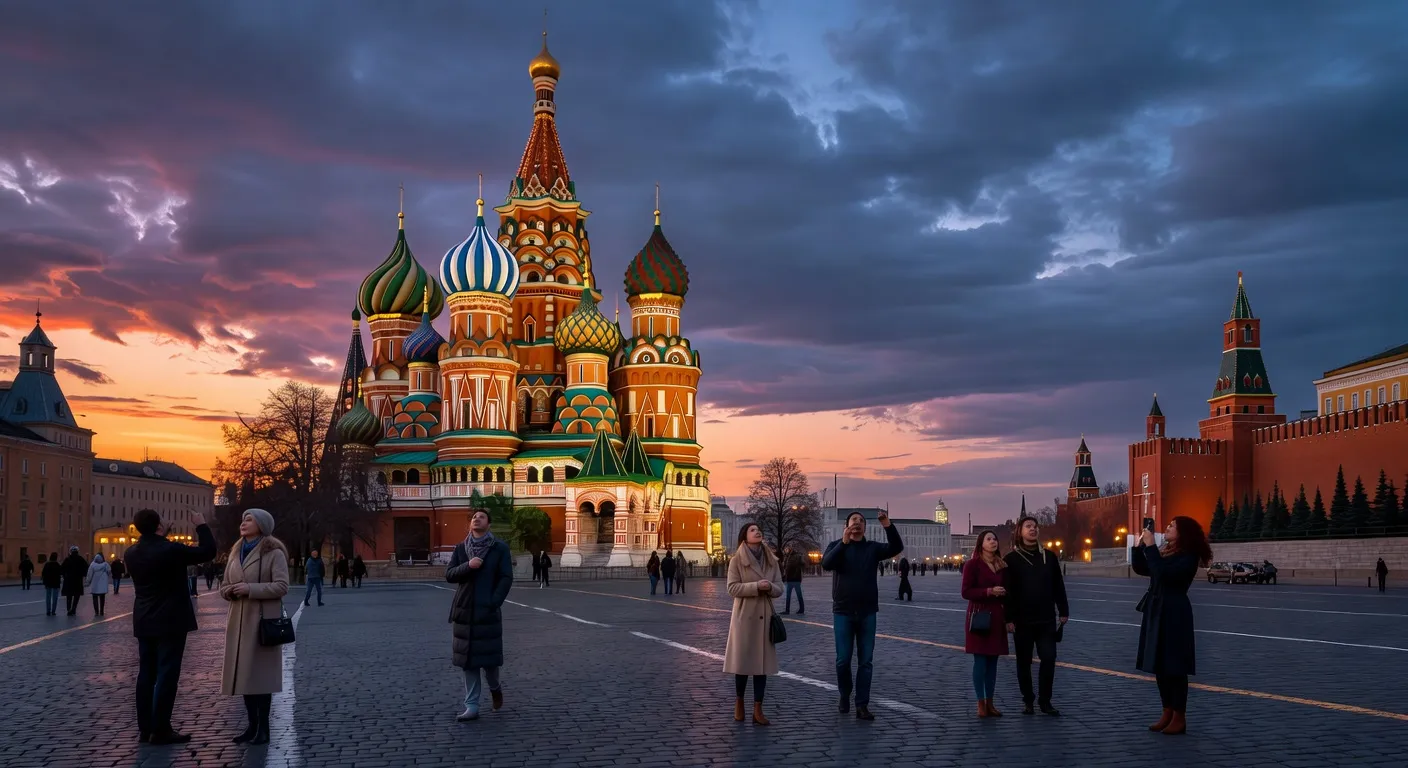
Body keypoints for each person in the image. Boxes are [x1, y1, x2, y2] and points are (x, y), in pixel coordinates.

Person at [125, 507, 216, 745]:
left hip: (144, 619)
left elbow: (155, 553)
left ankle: (145, 728)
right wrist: (201, 525)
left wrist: (161, 534)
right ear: (158, 526)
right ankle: (161, 728)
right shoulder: (171, 549)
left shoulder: (131, 552)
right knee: (167, 673)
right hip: (171, 620)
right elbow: (208, 551)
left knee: (146, 674)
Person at [1133, 516, 1212, 736]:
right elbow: (1142, 568)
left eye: (1171, 526)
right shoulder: (1166, 551)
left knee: (1174, 666)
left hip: (1175, 612)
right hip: (1157, 609)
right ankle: (1166, 711)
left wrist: (1151, 548)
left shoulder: (1188, 556)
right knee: (1159, 664)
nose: (1166, 528)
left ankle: (1179, 716)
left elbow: (1163, 574)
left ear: (1183, 532)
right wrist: (1140, 546)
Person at [821, 510, 903, 721]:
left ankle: (862, 705)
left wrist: (888, 525)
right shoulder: (836, 547)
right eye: (853, 520)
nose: (857, 523)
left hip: (867, 612)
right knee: (842, 660)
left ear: (865, 527)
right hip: (842, 611)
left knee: (866, 661)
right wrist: (844, 542)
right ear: (846, 526)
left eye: (861, 521)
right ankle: (844, 694)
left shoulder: (872, 548)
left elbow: (896, 547)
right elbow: (826, 564)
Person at [219, 508, 291, 745]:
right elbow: (225, 585)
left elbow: (281, 586)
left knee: (260, 679)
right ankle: (251, 727)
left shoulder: (273, 552)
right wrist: (229, 591)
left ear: (261, 524)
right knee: (243, 677)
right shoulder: (235, 551)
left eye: (249, 519)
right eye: (242, 519)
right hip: (238, 622)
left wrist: (250, 589)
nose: (243, 523)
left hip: (261, 622)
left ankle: (264, 728)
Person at [446, 508, 514, 721]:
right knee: (468, 662)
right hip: (464, 612)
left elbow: (506, 577)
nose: (476, 519)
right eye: (474, 517)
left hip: (487, 611)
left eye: (482, 516)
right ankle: (472, 705)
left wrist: (493, 602)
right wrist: (468, 565)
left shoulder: (499, 549)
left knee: (490, 662)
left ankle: (495, 688)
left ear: (489, 524)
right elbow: (449, 575)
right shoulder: (461, 549)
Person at [1003, 514, 1069, 716]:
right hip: (1022, 621)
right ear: (1020, 532)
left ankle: (1045, 701)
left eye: (1035, 526)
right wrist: (1008, 618)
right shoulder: (1011, 559)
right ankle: (1028, 700)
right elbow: (1008, 591)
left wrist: (1063, 610)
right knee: (1023, 662)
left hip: (1046, 618)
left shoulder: (1049, 557)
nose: (1033, 529)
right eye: (1028, 526)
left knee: (1049, 658)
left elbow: (1058, 584)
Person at [723, 523, 783, 726]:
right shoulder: (736, 561)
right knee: (743, 664)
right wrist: (756, 586)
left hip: (764, 617)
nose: (757, 531)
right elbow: (732, 588)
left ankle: (758, 708)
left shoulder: (771, 560)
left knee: (761, 665)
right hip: (744, 618)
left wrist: (771, 587)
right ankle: (739, 701)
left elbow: (780, 587)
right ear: (744, 537)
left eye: (759, 529)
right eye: (752, 530)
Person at [962, 532, 1009, 718]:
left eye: (995, 539)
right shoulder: (972, 565)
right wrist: (989, 591)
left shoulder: (1002, 565)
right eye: (989, 539)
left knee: (993, 664)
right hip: (980, 616)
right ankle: (980, 703)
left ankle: (990, 702)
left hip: (997, 616)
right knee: (980, 662)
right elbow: (965, 592)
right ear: (981, 544)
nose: (993, 542)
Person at [61, 546, 88, 616]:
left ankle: (68, 609)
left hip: (68, 581)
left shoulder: (67, 559)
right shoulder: (80, 559)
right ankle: (74, 609)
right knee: (76, 596)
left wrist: (64, 576)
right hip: (77, 580)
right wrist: (83, 574)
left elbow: (62, 569)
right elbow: (86, 567)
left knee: (69, 596)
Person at [781, 546, 805, 615]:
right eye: (785, 549)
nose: (785, 550)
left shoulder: (796, 556)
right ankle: (788, 610)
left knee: (798, 595)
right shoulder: (787, 557)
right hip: (790, 579)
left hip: (795, 578)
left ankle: (800, 609)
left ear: (789, 549)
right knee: (789, 595)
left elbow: (801, 564)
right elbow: (786, 568)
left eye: (786, 549)